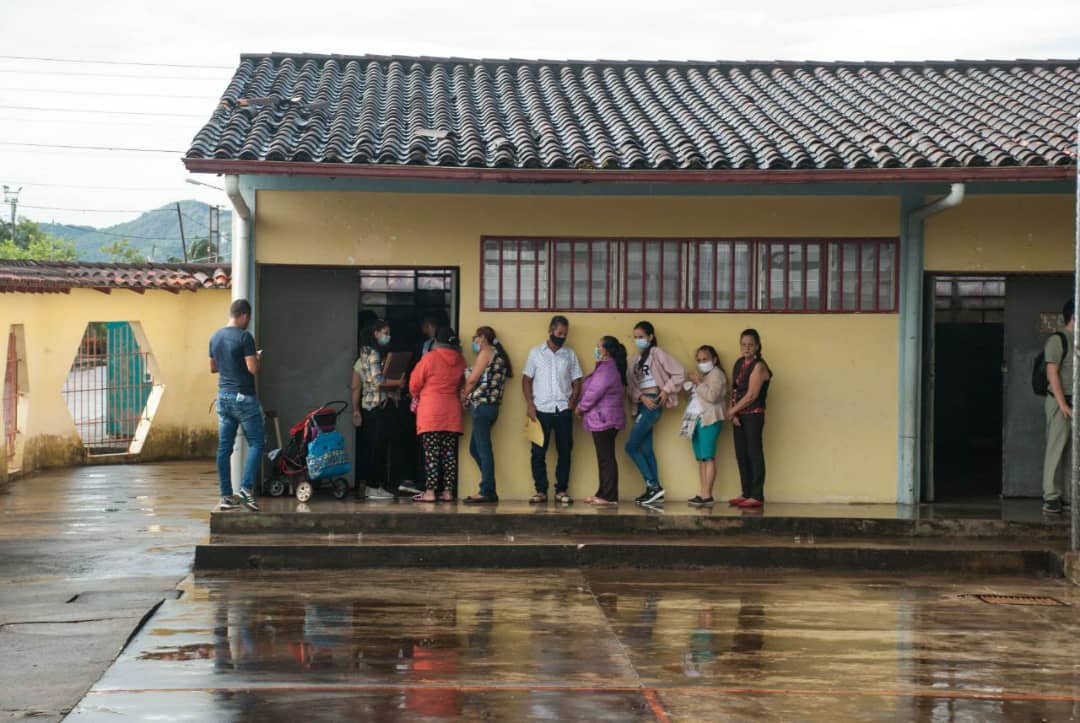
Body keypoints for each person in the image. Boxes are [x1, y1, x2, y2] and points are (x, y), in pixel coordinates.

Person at [522, 315, 584, 505]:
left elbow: (577, 380)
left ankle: (561, 490)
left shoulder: (570, 354)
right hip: (540, 410)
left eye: (565, 334)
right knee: (538, 452)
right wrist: (530, 405)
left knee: (565, 451)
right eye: (559, 333)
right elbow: (526, 380)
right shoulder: (535, 353)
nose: (562, 337)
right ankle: (540, 491)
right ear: (550, 330)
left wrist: (572, 402)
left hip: (563, 410)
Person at [209, 298, 262, 512]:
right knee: (258, 442)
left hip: (223, 397)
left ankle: (225, 496)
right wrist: (257, 358)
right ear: (244, 316)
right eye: (247, 318)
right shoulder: (244, 337)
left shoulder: (215, 337)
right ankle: (246, 488)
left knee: (224, 448)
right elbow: (253, 369)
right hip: (243, 398)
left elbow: (213, 367)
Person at [625, 321, 685, 506]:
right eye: (635, 337)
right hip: (643, 402)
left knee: (631, 447)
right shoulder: (634, 360)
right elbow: (630, 386)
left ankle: (653, 486)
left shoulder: (657, 353)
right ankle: (654, 490)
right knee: (646, 449)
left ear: (650, 337)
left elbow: (679, 373)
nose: (638, 340)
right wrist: (641, 397)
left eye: (641, 337)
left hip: (654, 403)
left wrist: (665, 391)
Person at [409, 327, 467, 502]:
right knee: (449, 454)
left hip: (431, 412)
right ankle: (448, 491)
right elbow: (463, 383)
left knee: (431, 454)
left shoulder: (429, 358)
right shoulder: (461, 361)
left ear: (437, 342)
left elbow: (414, 383)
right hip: (452, 411)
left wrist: (415, 395)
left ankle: (430, 492)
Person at [461, 326, 512, 504]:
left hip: (481, 407)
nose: (474, 341)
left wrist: (464, 395)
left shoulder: (486, 353)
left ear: (483, 338)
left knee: (483, 450)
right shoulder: (498, 355)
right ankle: (489, 486)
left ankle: (486, 491)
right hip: (492, 408)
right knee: (475, 449)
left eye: (476, 337)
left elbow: (473, 379)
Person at [575, 336, 628, 506]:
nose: (596, 349)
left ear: (605, 350)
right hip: (604, 418)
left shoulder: (607, 370)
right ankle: (603, 492)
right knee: (604, 457)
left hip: (604, 419)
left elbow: (593, 393)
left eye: (598, 346)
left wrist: (580, 408)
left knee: (606, 458)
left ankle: (609, 496)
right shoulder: (606, 367)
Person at [726, 329, 772, 509]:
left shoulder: (759, 366)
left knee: (754, 453)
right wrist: (734, 412)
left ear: (757, 346)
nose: (746, 348)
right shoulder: (739, 363)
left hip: (754, 415)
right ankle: (745, 492)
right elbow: (735, 389)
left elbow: (752, 395)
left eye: (750, 345)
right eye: (743, 344)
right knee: (741, 454)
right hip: (739, 416)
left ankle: (757, 494)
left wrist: (731, 411)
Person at [352, 319, 396, 500]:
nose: (388, 336)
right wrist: (398, 383)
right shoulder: (374, 354)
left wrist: (355, 410)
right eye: (385, 332)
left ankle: (372, 485)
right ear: (376, 333)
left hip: (367, 407)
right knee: (377, 449)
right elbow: (378, 383)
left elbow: (355, 386)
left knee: (372, 448)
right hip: (376, 407)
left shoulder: (362, 356)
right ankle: (373, 486)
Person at [682, 345, 728, 508]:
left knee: (708, 457)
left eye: (705, 359)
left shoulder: (717, 374)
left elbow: (712, 396)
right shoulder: (704, 375)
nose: (702, 363)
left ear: (714, 360)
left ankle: (707, 495)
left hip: (709, 419)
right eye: (699, 360)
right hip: (697, 419)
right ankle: (703, 493)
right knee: (701, 459)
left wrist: (698, 382)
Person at [1042, 299, 1075, 514]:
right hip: (1059, 400)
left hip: (1075, 401)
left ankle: (1070, 495)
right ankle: (1051, 496)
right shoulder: (1058, 340)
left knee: (1073, 451)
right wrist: (1062, 404)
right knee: (1056, 447)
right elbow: (1052, 372)